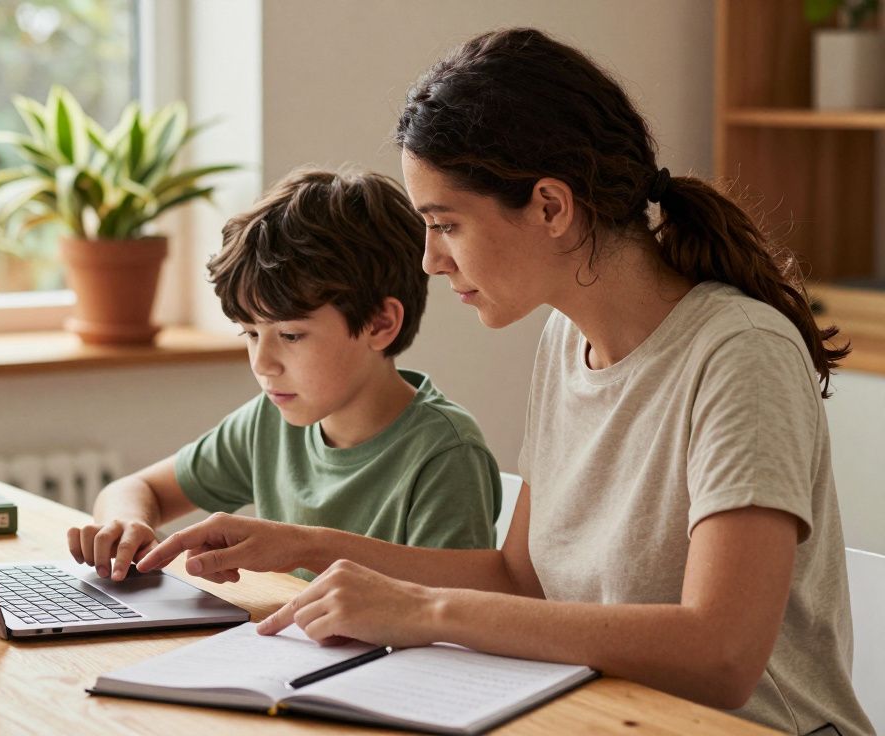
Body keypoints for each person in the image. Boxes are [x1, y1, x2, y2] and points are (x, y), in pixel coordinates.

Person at [134, 28, 872, 736]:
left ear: (550, 206)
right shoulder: (566, 340)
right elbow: (520, 579)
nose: (429, 261)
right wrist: (307, 544)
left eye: (445, 224)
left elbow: (721, 656)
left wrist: (424, 610)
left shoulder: (739, 353)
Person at [66, 167, 501, 583]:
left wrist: (308, 547)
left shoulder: (445, 454)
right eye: (251, 333)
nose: (262, 363)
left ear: (380, 324)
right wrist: (125, 524)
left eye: (291, 335)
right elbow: (139, 489)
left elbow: (457, 606)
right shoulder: (269, 422)